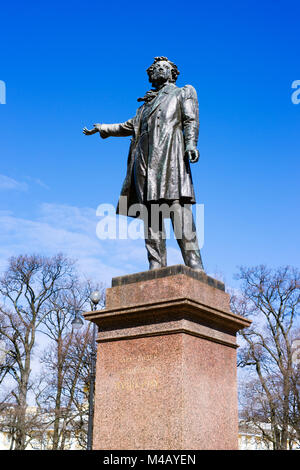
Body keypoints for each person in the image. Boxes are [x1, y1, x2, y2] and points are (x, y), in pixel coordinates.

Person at [83, 56, 204, 271]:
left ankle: (195, 266)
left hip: (170, 159)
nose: (158, 69)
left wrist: (191, 144)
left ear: (172, 73)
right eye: (155, 68)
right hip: (144, 167)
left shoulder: (183, 92)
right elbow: (125, 126)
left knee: (178, 211)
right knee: (151, 216)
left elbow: (190, 119)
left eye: (163, 67)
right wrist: (102, 127)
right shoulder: (144, 108)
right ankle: (155, 266)